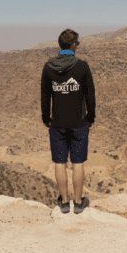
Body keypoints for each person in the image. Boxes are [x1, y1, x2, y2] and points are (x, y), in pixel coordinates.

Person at [41, 28, 95, 214]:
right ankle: (79, 203)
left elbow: (45, 96)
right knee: (78, 162)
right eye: (78, 42)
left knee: (59, 162)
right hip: (79, 123)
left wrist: (45, 118)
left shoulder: (49, 67)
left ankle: (64, 202)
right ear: (74, 45)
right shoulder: (81, 66)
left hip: (57, 123)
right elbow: (90, 96)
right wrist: (91, 117)